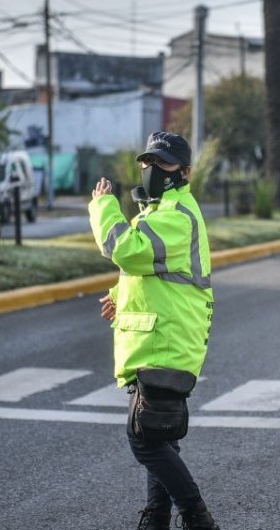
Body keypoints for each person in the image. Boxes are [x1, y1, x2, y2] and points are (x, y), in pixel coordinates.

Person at [88, 131, 219, 530]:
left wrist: (101, 207)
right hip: (159, 339)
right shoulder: (158, 211)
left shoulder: (176, 215)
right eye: (148, 162)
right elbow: (152, 273)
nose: (152, 170)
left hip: (168, 342)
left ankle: (197, 517)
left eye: (162, 163)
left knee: (143, 438)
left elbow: (126, 250)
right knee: (160, 435)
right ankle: (156, 517)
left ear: (185, 171)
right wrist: (119, 297)